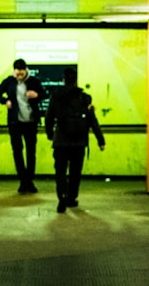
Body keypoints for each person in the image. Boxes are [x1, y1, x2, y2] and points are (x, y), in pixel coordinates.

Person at [44, 67, 105, 213]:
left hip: (61, 141)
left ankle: (62, 197)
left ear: (64, 80)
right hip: (79, 142)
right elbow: (92, 120)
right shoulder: (84, 98)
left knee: (60, 171)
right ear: (76, 80)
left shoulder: (56, 96)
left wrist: (50, 135)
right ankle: (71, 198)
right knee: (75, 172)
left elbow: (48, 118)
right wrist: (100, 140)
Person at [0, 58, 47, 193]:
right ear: (14, 71)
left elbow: (45, 94)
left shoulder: (34, 81)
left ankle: (30, 180)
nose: (19, 77)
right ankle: (23, 180)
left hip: (31, 122)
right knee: (17, 151)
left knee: (30, 152)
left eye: (22, 74)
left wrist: (36, 95)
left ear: (26, 70)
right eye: (17, 74)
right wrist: (5, 101)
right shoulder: (9, 81)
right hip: (14, 123)